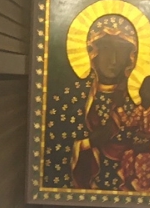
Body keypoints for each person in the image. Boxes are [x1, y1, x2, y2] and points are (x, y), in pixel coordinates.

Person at [43, 13, 139, 191]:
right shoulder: (70, 98)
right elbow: (52, 151)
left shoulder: (135, 102)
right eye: (107, 49)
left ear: (130, 57)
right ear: (93, 52)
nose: (113, 60)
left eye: (121, 51)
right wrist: (88, 143)